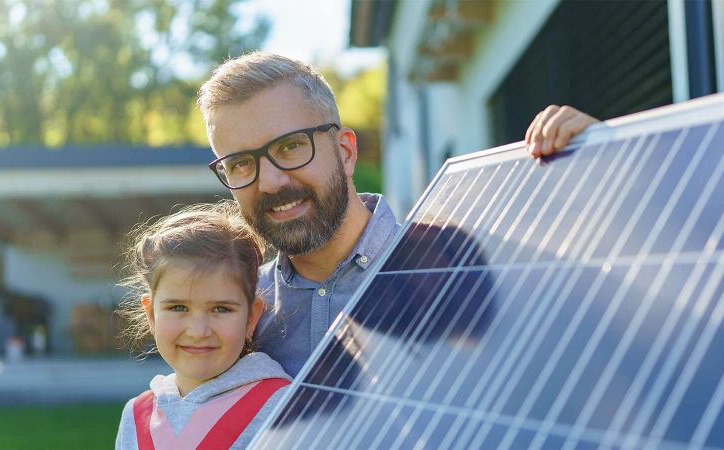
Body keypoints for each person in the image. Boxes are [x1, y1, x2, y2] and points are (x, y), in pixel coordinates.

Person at [197, 52, 598, 377]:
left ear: (346, 152)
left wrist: (614, 163)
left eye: (290, 146)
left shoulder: (464, 270)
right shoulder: (238, 313)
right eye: (240, 164)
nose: (268, 182)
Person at [115, 201, 291, 450]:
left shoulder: (280, 407)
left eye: (221, 309)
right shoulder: (135, 414)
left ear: (251, 317)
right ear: (152, 315)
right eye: (178, 308)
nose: (198, 331)